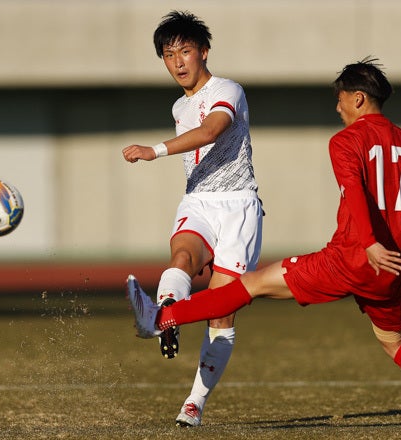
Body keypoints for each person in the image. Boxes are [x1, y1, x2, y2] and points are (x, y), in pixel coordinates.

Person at [127, 58, 401, 432]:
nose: (337, 107)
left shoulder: (346, 140)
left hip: (350, 258)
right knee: (394, 341)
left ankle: (162, 318)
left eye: (340, 99)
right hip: (389, 266)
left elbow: (355, 193)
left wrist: (372, 242)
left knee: (251, 285)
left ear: (358, 99)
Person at [122, 11, 263, 427]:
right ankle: (159, 315)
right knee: (181, 257)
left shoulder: (228, 89)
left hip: (239, 208)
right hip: (198, 201)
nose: (179, 61)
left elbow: (212, 130)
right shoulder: (177, 105)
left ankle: (194, 403)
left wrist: (155, 150)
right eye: (169, 55)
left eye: (185, 51)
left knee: (222, 314)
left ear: (203, 51)